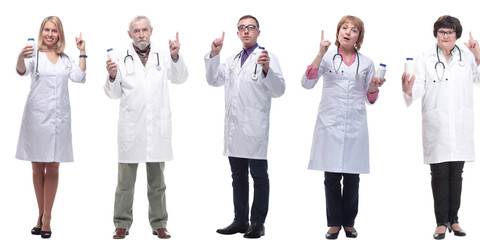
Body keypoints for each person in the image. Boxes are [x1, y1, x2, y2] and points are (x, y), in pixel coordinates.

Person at [401, 15, 480, 239]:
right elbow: (417, 89)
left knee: (457, 174)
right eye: (442, 32)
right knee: (439, 174)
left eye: (450, 32)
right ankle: (441, 222)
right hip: (437, 125)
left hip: (460, 125)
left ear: (457, 35)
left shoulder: (467, 57)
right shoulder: (424, 58)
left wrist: (478, 53)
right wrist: (407, 88)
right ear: (436, 34)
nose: (446, 36)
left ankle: (454, 219)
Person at [104, 15, 188, 239]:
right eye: (136, 31)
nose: (141, 35)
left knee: (157, 183)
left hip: (157, 129)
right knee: (125, 183)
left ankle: (159, 223)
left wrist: (176, 55)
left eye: (144, 30)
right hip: (131, 129)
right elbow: (112, 94)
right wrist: (112, 75)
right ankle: (122, 223)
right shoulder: (120, 58)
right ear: (129, 34)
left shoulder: (164, 55)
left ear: (151, 31)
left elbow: (181, 78)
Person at [301, 15, 385, 239]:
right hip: (330, 123)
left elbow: (370, 98)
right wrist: (320, 53)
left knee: (352, 178)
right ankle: (333, 223)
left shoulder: (366, 62)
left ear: (359, 37)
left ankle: (349, 222)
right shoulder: (327, 58)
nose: (348, 32)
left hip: (355, 124)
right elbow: (307, 82)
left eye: (354, 30)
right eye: (344, 28)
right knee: (331, 177)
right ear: (338, 32)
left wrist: (375, 87)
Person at [204, 15, 285, 239]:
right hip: (234, 128)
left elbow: (279, 90)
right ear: (237, 33)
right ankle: (240, 220)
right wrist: (214, 55)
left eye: (250, 27)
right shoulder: (230, 60)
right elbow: (213, 80)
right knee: (237, 176)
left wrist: (267, 69)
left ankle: (257, 222)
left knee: (259, 177)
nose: (246, 31)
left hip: (255, 128)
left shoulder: (266, 57)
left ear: (259, 32)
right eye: (242, 28)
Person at [15, 16, 86, 239]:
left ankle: (48, 217)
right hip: (36, 118)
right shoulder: (33, 55)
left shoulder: (65, 59)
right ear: (41, 32)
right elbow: (21, 71)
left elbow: (80, 77)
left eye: (54, 30)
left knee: (53, 166)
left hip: (58, 120)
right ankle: (41, 214)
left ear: (59, 34)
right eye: (46, 29)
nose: (49, 34)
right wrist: (19, 56)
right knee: (37, 166)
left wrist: (83, 52)